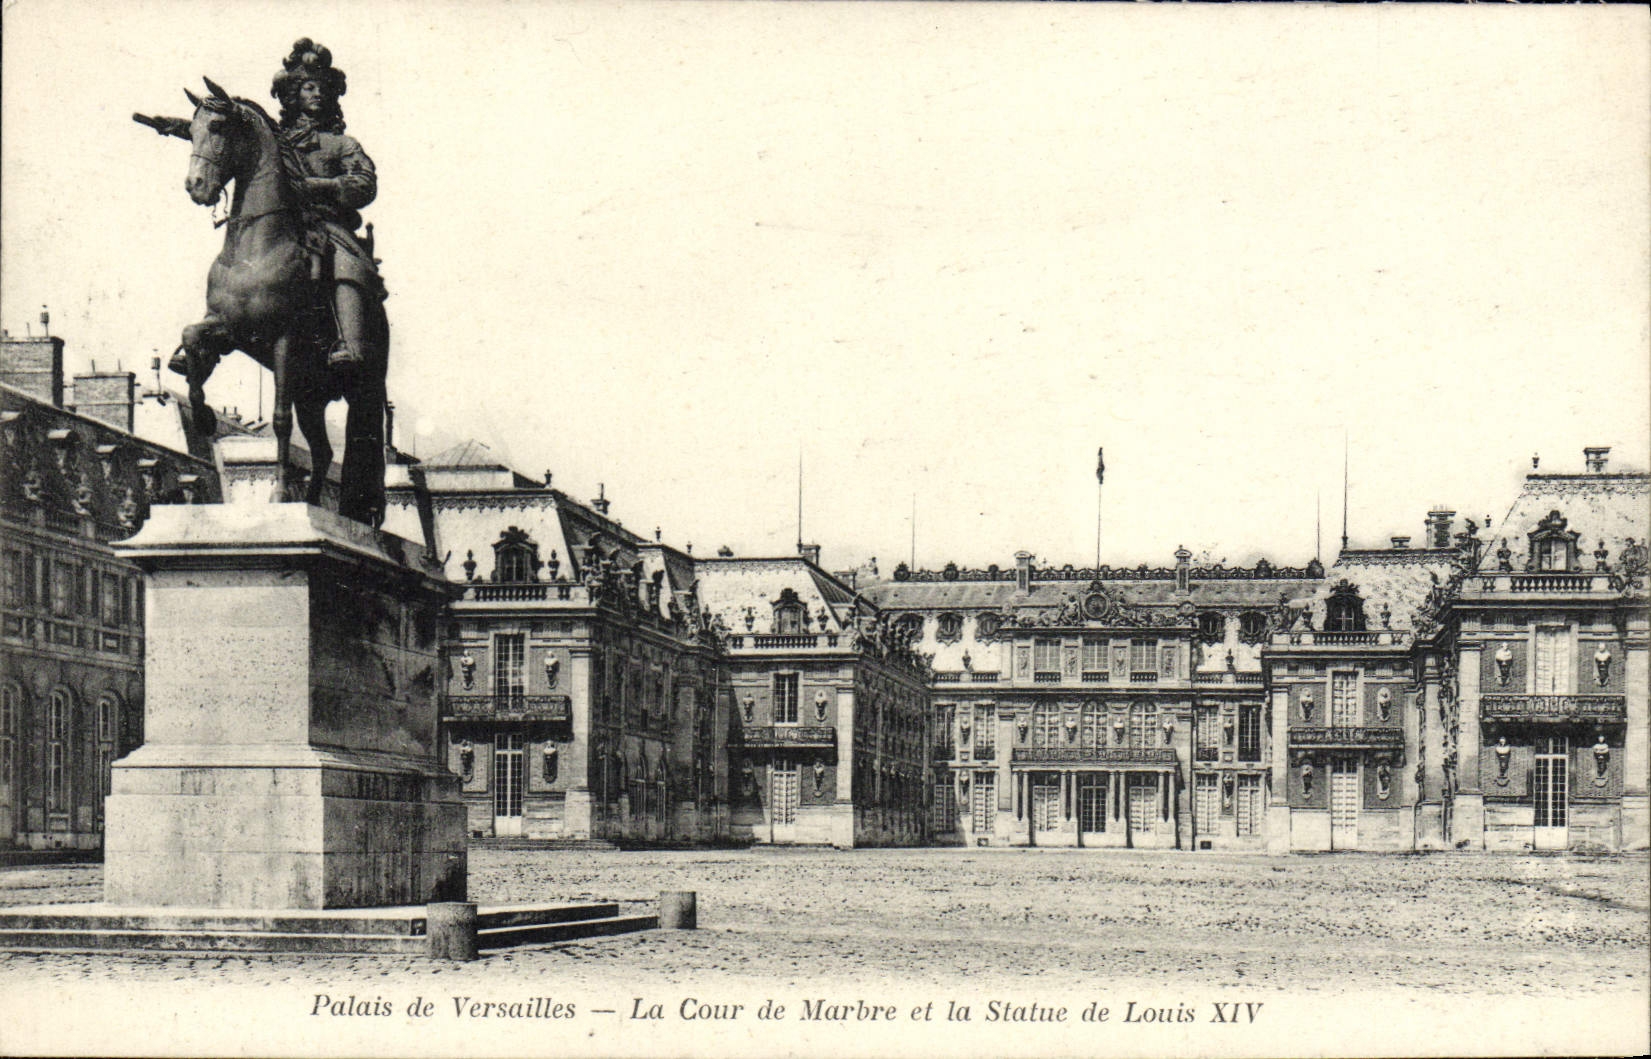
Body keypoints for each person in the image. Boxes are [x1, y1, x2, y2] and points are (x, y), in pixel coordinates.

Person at [270, 38, 383, 372]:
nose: (316, 93)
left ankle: (349, 342)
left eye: (322, 88)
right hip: (283, 224)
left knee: (347, 262)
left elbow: (364, 184)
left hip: (328, 224)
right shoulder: (273, 141)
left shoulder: (343, 145)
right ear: (294, 94)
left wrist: (321, 185)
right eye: (308, 87)